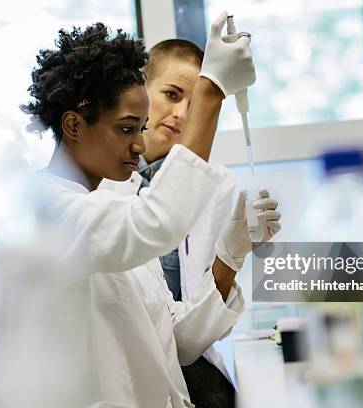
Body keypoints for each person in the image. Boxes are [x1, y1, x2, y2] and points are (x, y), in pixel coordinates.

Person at [23, 13, 279, 407]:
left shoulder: (114, 202)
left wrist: (231, 252)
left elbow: (178, 343)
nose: (140, 147)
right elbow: (154, 224)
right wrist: (211, 90)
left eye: (141, 129)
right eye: (128, 129)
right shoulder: (44, 209)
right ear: (74, 124)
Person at [99, 39, 279, 407]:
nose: (182, 114)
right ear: (139, 92)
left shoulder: (214, 185)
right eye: (171, 94)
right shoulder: (100, 187)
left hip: (189, 360)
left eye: (196, 103)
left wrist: (233, 254)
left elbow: (189, 338)